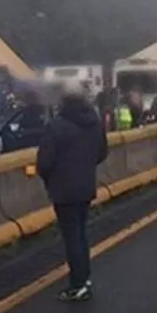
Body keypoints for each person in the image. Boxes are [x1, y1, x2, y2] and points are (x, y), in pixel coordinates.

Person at [36, 81, 109, 301]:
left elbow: (45, 162)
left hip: (63, 189)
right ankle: (84, 278)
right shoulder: (94, 123)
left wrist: (50, 178)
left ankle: (78, 284)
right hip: (85, 186)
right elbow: (102, 153)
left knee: (72, 237)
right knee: (81, 234)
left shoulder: (56, 126)